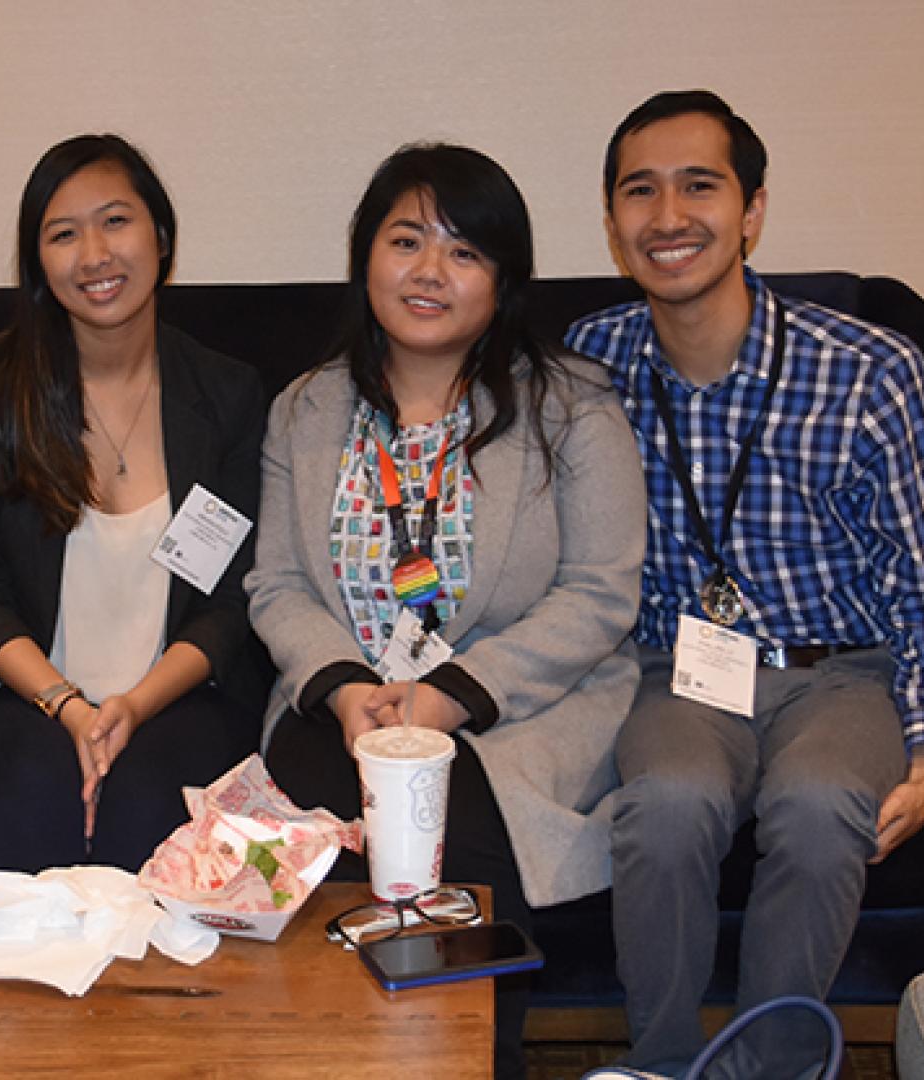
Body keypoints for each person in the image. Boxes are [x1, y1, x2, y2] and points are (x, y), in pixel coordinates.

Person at [564, 90, 924, 1075]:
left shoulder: (869, 371)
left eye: (699, 187)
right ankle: (661, 1065)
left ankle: (777, 1068)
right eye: (641, 192)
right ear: (614, 221)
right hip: (679, 669)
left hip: (838, 670)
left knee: (824, 800)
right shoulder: (590, 363)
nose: (668, 217)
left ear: (751, 210)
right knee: (664, 802)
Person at [246, 143, 645, 1078]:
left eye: (465, 252)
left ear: (503, 283)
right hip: (347, 708)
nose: (430, 272)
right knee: (316, 842)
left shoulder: (574, 409)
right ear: (365, 258)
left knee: (458, 835)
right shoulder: (306, 411)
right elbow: (278, 584)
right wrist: (349, 692)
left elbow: (601, 591)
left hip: (517, 715)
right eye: (407, 241)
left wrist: (450, 697)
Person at [0, 134, 264, 873]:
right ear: (38, 260)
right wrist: (68, 706)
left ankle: (148, 992)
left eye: (115, 221)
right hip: (23, 696)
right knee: (39, 790)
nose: (94, 254)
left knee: (145, 804)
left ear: (161, 237)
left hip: (179, 696)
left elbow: (230, 600)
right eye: (63, 233)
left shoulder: (226, 395)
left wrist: (133, 706)